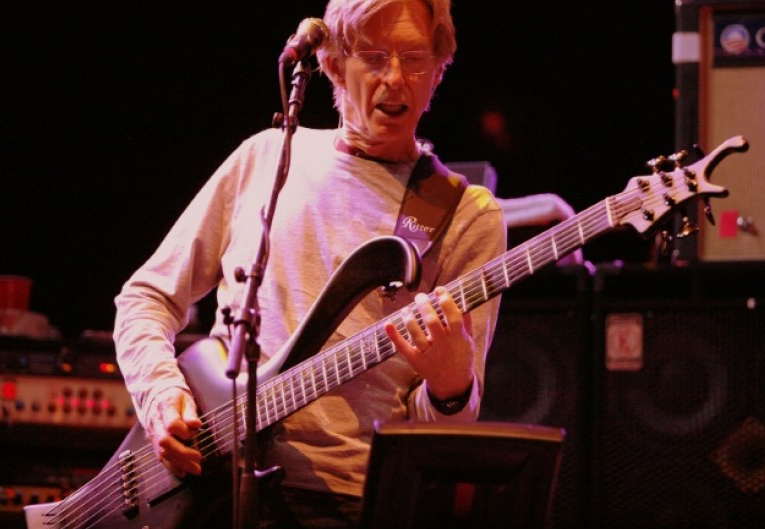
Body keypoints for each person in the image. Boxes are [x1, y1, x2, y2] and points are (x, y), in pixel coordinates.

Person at [112, 0, 506, 527]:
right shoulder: (267, 157)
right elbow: (146, 298)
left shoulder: (464, 213)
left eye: (414, 58)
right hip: (210, 490)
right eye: (373, 56)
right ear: (335, 65)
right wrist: (162, 393)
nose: (395, 78)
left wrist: (452, 388)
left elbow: (435, 431)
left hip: (344, 504)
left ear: (438, 71)